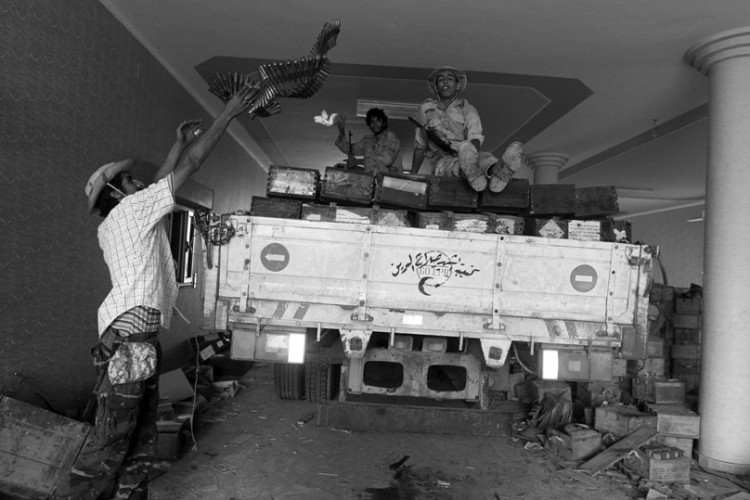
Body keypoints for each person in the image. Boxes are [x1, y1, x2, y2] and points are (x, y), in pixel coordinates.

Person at [53, 84, 258, 500]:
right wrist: (228, 114)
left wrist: (175, 144)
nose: (139, 181)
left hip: (133, 341)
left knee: (140, 435)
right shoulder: (130, 211)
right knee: (114, 438)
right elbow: (193, 166)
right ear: (114, 194)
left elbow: (161, 183)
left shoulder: (121, 219)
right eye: (129, 180)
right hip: (129, 342)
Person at [411, 66, 523, 192]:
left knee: (484, 157)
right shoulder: (426, 108)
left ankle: (500, 171)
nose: (445, 82)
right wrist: (411, 175)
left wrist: (471, 157)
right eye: (441, 79)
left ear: (457, 86)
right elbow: (420, 144)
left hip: (467, 151)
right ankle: (471, 172)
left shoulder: (469, 109)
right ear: (436, 86)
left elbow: (475, 138)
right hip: (441, 158)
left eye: (450, 79)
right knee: (449, 165)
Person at [333, 107, 402, 174]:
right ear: (369, 124)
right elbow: (348, 149)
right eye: (372, 121)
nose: (375, 124)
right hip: (373, 183)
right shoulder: (367, 141)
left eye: (378, 121)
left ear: (384, 122)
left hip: (391, 183)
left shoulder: (391, 137)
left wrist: (358, 161)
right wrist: (341, 130)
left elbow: (386, 159)